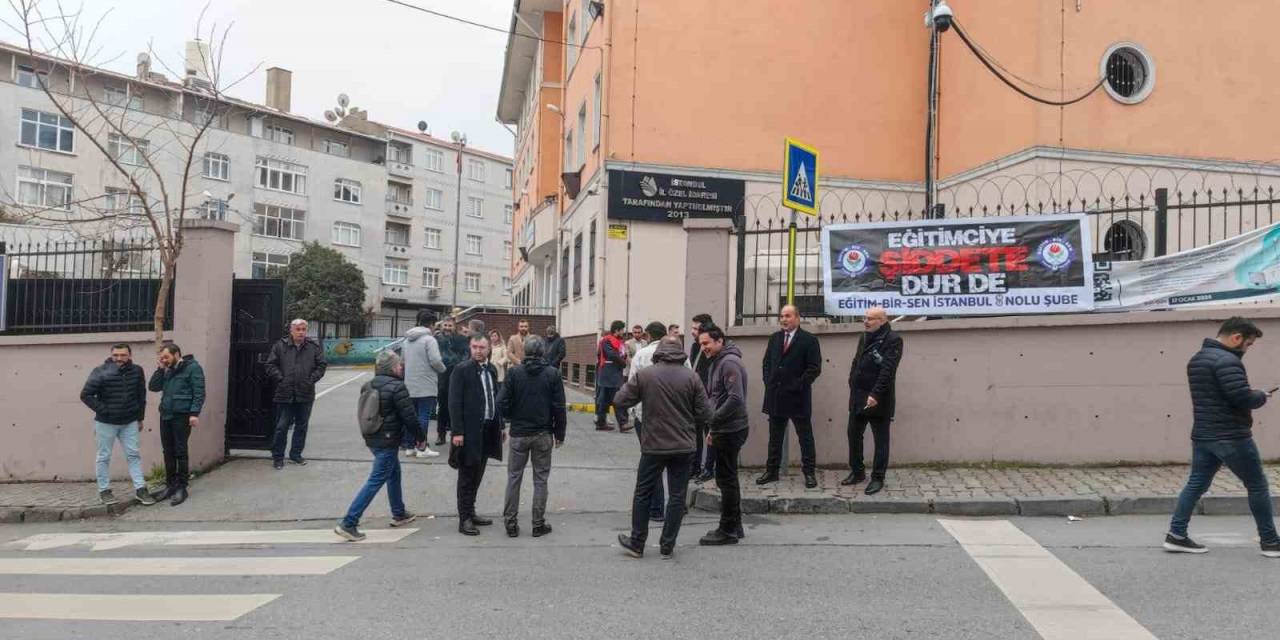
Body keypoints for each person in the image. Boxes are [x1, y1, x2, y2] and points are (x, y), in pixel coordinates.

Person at [1165, 317, 1280, 557]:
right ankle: (1270, 542)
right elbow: (1241, 398)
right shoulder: (1228, 361)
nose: (1247, 349)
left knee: (1196, 484)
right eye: (1248, 344)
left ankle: (1176, 535)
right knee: (1257, 484)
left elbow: (1218, 395)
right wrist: (1260, 396)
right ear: (1236, 338)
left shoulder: (1197, 359)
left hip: (1204, 435)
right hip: (1231, 436)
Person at [614, 337, 713, 559]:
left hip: (654, 446)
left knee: (643, 493)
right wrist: (688, 421)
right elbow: (707, 413)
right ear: (680, 353)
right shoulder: (692, 377)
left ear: (658, 352)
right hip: (684, 446)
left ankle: (637, 543)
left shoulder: (645, 375)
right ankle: (667, 545)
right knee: (677, 495)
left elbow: (620, 400)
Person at [334, 351, 423, 541]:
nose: (402, 367)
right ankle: (349, 522)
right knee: (376, 479)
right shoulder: (398, 387)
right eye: (399, 365)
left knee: (394, 473)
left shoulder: (369, 384)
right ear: (392, 367)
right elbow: (410, 417)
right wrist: (420, 437)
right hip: (388, 440)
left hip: (373, 438)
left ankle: (399, 513)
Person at [498, 336, 567, 538]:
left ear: (524, 352)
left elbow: (501, 402)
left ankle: (510, 523)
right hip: (543, 433)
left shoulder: (514, 373)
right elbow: (559, 407)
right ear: (543, 352)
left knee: (513, 478)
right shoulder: (552, 374)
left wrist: (511, 416)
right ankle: (538, 523)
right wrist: (559, 433)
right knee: (540, 479)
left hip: (519, 432)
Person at [80, 343, 154, 506]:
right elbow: (85, 395)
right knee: (104, 456)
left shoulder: (137, 371)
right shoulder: (100, 371)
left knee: (133, 455)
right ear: (111, 355)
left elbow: (141, 396)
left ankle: (141, 489)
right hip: (106, 423)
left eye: (123, 355)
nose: (119, 358)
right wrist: (104, 410)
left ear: (130, 356)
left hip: (130, 422)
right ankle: (104, 491)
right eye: (116, 355)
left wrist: (140, 418)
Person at [757, 305, 823, 489]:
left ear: (797, 318)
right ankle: (772, 471)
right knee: (775, 436)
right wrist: (768, 381)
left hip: (797, 397)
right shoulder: (775, 338)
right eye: (781, 316)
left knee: (805, 436)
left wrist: (797, 386)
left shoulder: (809, 340)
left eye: (788, 316)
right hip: (776, 395)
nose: (784, 319)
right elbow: (766, 363)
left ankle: (809, 473)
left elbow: (814, 369)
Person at [843, 307, 903, 495]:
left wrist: (875, 394)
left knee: (881, 440)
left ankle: (877, 478)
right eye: (865, 318)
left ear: (882, 320)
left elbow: (888, 370)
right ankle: (858, 471)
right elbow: (856, 361)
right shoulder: (864, 336)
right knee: (853, 434)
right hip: (858, 396)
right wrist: (852, 380)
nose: (866, 321)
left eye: (870, 319)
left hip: (878, 399)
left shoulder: (893, 340)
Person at [698, 326, 749, 546]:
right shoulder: (720, 360)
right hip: (724, 428)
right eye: (701, 344)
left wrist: (715, 421)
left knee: (726, 480)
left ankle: (727, 529)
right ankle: (735, 526)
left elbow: (735, 398)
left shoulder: (728, 362)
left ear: (720, 341)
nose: (703, 348)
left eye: (706, 343)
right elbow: (717, 396)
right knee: (728, 478)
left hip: (731, 429)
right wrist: (713, 428)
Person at [449, 334, 505, 536]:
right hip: (469, 432)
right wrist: (457, 432)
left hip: (488, 429)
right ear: (470, 348)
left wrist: (500, 426)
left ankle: (471, 512)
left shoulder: (490, 370)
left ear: (489, 349)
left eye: (482, 347)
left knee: (478, 473)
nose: (478, 350)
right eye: (474, 347)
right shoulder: (461, 370)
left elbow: (494, 399)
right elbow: (454, 403)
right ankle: (464, 519)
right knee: (466, 475)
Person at [625, 322, 677, 521]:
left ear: (647, 335)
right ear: (665, 335)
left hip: (646, 415)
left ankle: (656, 509)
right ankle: (675, 506)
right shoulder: (682, 356)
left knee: (651, 461)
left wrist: (633, 412)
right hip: (674, 416)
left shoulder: (641, 355)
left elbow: (631, 386)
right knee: (674, 462)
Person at [265, 318, 327, 470]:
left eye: (303, 329)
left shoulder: (313, 347)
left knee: (301, 426)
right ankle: (278, 457)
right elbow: (270, 365)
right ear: (291, 331)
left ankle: (296, 454)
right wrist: (281, 379)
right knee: (281, 426)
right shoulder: (280, 346)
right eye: (297, 329)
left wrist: (310, 380)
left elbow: (322, 365)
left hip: (305, 393)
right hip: (285, 393)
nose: (301, 332)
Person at [148, 343, 205, 507]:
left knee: (180, 451)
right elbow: (153, 387)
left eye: (166, 357)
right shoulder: (167, 369)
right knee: (168, 451)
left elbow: (199, 392)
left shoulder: (193, 368)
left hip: (182, 415)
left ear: (177, 354)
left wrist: (194, 413)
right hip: (166, 414)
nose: (164, 360)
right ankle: (170, 485)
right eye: (161, 358)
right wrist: (160, 369)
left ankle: (182, 486)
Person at [401, 309, 445, 458]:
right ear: (431, 325)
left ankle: (409, 447)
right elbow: (435, 361)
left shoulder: (407, 340)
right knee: (423, 416)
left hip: (409, 384)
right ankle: (422, 448)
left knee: (410, 417)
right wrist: (443, 370)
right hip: (426, 384)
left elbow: (403, 361)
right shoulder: (429, 340)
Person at [688, 313, 716, 482]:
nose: (692, 331)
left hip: (710, 396)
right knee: (696, 433)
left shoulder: (712, 346)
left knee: (710, 433)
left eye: (695, 328)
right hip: (697, 396)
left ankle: (709, 468)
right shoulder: (694, 346)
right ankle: (695, 466)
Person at [435, 316, 469, 446]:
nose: (447, 328)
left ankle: (456, 433)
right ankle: (441, 435)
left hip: (457, 375)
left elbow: (466, 355)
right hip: (442, 375)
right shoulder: (436, 339)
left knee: (457, 406)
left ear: (455, 327)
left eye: (450, 325)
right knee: (443, 406)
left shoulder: (461, 339)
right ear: (441, 325)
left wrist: (460, 367)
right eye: (445, 325)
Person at [595, 320, 630, 433]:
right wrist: (623, 362)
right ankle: (623, 423)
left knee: (605, 400)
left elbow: (620, 354)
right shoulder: (607, 340)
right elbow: (611, 354)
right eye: (622, 330)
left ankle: (601, 423)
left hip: (613, 373)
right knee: (616, 398)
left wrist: (623, 358)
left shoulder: (619, 341)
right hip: (608, 373)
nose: (623, 332)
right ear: (617, 330)